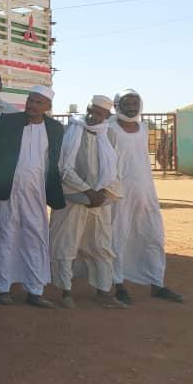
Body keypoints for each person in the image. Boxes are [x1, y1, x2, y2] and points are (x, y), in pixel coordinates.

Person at [0, 86, 65, 309]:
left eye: (38, 102)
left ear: (48, 107)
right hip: (7, 190)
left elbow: (56, 162)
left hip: (36, 192)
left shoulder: (55, 128)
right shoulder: (7, 122)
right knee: (4, 236)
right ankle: (1, 288)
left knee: (35, 238)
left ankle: (35, 290)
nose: (32, 105)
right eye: (30, 100)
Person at [48, 95, 127, 309]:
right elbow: (63, 168)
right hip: (71, 198)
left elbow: (116, 169)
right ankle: (65, 292)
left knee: (101, 246)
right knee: (65, 245)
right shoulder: (70, 130)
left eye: (100, 113)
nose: (94, 116)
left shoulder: (110, 134)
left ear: (107, 116)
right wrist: (87, 191)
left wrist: (102, 193)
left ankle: (103, 291)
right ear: (87, 108)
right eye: (92, 110)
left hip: (100, 201)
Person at [108, 89, 184, 304]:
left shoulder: (143, 129)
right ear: (117, 105)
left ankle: (157, 283)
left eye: (135, 103)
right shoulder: (110, 129)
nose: (131, 107)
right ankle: (119, 285)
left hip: (146, 192)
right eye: (126, 103)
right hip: (119, 194)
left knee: (152, 236)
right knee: (118, 238)